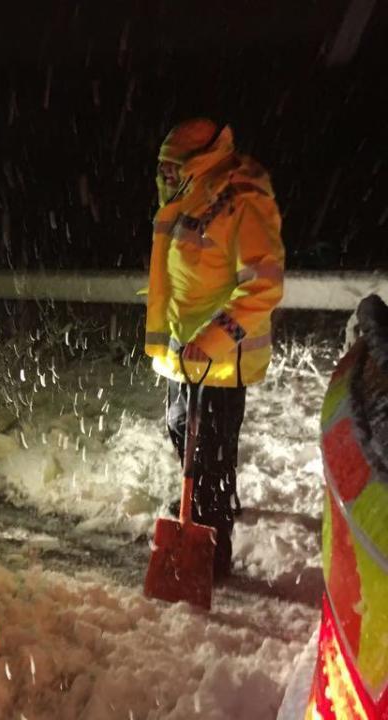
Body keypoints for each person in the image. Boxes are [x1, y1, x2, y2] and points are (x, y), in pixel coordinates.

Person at [144, 118, 285, 579]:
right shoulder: (192, 195)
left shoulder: (241, 200)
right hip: (185, 356)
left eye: (171, 167)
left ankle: (211, 543)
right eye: (161, 168)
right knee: (181, 431)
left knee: (209, 456)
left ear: (197, 161)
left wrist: (212, 339)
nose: (163, 177)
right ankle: (201, 498)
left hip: (221, 360)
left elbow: (263, 284)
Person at [304, 294, 387, 718]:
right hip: (188, 351)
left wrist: (220, 332)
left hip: (224, 356)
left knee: (213, 445)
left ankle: (215, 515)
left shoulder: (240, 222)